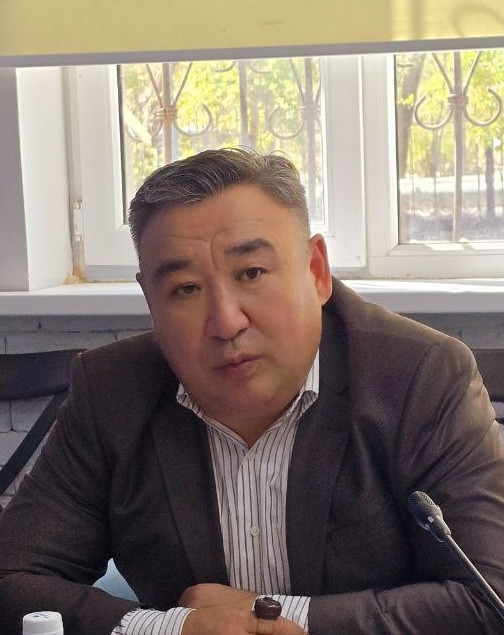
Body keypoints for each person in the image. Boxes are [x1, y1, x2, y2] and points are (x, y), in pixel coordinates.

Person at [0, 148, 503, 635]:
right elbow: (12, 579)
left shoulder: (420, 376)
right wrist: (175, 628)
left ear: (316, 271)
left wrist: (272, 619)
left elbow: (490, 599)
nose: (225, 322)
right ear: (150, 299)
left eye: (251, 273)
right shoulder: (112, 389)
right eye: (185, 289)